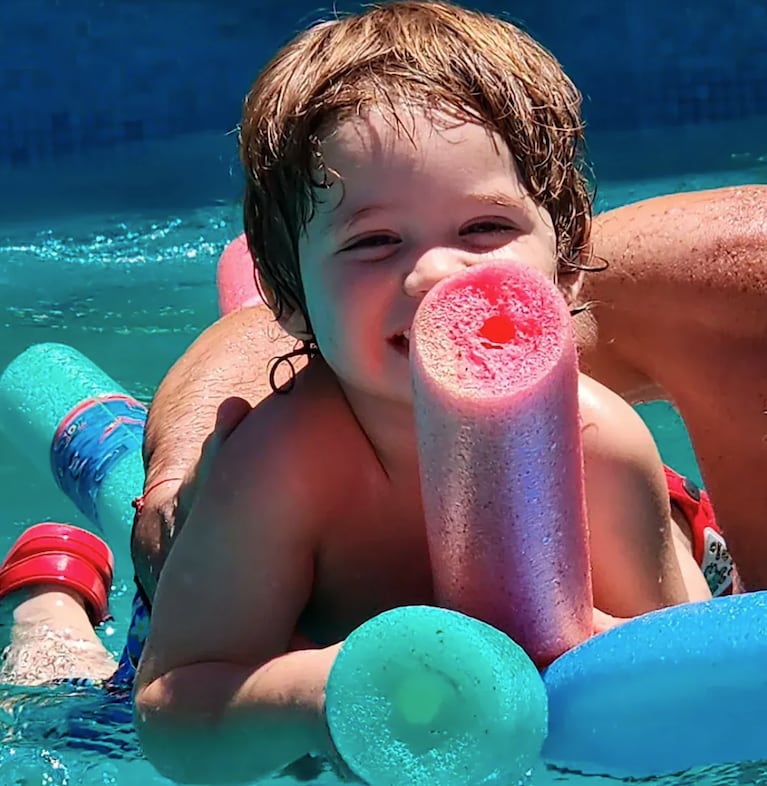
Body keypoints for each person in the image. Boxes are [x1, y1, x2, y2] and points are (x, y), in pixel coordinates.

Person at [119, 3, 715, 783]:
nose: (437, 274)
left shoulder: (595, 441)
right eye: (373, 242)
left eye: (483, 229)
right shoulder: (286, 464)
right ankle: (54, 593)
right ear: (289, 299)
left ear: (565, 266)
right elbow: (171, 713)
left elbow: (692, 691)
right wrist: (318, 695)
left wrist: (578, 657)